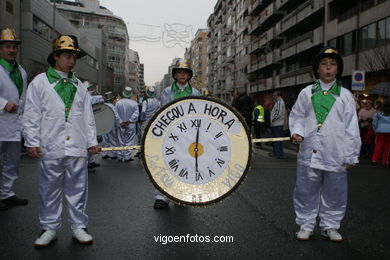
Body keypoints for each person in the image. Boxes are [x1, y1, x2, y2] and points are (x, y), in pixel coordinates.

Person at [22, 34, 99, 247]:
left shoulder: (80, 86)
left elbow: (87, 117)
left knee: (78, 188)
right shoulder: (39, 83)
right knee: (49, 188)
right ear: (56, 56)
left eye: (74, 57)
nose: (72, 61)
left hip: (76, 145)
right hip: (50, 145)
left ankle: (78, 227)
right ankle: (49, 227)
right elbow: (31, 114)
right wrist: (31, 141)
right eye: (67, 56)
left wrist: (91, 141)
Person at [289, 46, 361, 242]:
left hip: (336, 154)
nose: (328, 68)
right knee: (305, 189)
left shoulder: (345, 96)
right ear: (317, 69)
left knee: (335, 191)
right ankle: (305, 224)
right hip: (309, 152)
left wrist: (351, 155)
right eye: (324, 64)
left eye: (333, 65)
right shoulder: (306, 93)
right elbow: (297, 116)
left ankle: (330, 225)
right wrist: (297, 132)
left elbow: (351, 128)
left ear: (338, 69)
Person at [155, 58, 201, 209]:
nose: (182, 75)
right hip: (171, 134)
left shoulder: (196, 93)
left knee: (186, 165)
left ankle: (181, 194)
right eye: (179, 72)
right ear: (175, 75)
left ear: (189, 76)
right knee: (167, 164)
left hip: (189, 135)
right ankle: (162, 196)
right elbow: (162, 111)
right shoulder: (167, 91)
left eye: (185, 73)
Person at [0, 28, 28, 210]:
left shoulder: (22, 72)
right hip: (1, 121)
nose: (12, 50)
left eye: (14, 47)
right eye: (8, 46)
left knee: (12, 162)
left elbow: (24, 99)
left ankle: (6, 193)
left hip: (15, 124)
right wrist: (3, 104)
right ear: (1, 49)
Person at [115, 86, 139, 162]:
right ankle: (127, 156)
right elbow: (136, 114)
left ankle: (120, 155)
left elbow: (115, 113)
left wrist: (121, 121)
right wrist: (129, 121)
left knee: (120, 140)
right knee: (129, 140)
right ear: (130, 94)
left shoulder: (118, 103)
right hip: (130, 124)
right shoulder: (134, 103)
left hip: (120, 124)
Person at [85, 81, 103, 173]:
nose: (91, 89)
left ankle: (91, 162)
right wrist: (101, 97)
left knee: (92, 143)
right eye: (90, 88)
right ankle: (87, 165)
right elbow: (96, 99)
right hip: (86, 124)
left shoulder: (88, 96)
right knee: (88, 145)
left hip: (91, 122)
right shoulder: (86, 96)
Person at [101, 92, 120, 160]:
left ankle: (104, 153)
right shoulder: (112, 106)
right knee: (113, 139)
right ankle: (113, 154)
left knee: (105, 139)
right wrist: (119, 123)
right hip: (111, 124)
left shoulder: (103, 105)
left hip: (103, 124)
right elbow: (116, 115)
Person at [371, 98, 390, 166]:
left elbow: (374, 122)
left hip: (380, 130)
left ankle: (374, 160)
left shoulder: (378, 113)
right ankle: (384, 161)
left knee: (378, 145)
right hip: (389, 131)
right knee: (387, 146)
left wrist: (375, 129)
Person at [270, 91, 286, 158]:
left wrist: (273, 120)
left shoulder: (279, 102)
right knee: (278, 139)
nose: (273, 97)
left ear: (278, 95)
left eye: (274, 95)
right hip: (277, 123)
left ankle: (277, 153)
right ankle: (278, 152)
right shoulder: (278, 102)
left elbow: (278, 113)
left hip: (277, 124)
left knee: (277, 139)